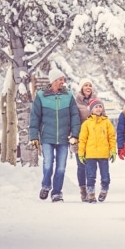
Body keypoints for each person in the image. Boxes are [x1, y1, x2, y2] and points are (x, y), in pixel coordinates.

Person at [29, 69, 81, 202]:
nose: (63, 82)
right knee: (48, 163)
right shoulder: (41, 96)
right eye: (60, 79)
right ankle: (46, 186)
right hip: (47, 137)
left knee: (61, 166)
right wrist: (34, 136)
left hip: (64, 137)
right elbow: (35, 117)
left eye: (63, 79)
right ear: (53, 81)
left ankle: (57, 192)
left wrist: (75, 134)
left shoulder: (68, 96)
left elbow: (75, 116)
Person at [78, 99, 116, 203]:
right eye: (96, 107)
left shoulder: (107, 122)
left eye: (100, 106)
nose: (98, 108)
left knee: (105, 177)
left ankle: (104, 190)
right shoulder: (86, 124)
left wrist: (113, 150)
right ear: (91, 110)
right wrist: (81, 153)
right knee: (90, 176)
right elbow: (82, 139)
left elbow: (111, 137)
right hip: (90, 155)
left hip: (104, 154)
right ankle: (91, 195)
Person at [72, 78, 99, 202]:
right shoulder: (75, 102)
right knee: (81, 165)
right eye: (85, 85)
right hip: (79, 137)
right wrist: (73, 136)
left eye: (90, 85)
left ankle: (90, 190)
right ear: (81, 88)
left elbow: (102, 117)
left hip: (93, 138)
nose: (88, 87)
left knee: (91, 166)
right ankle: (83, 190)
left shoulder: (97, 101)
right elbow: (72, 119)